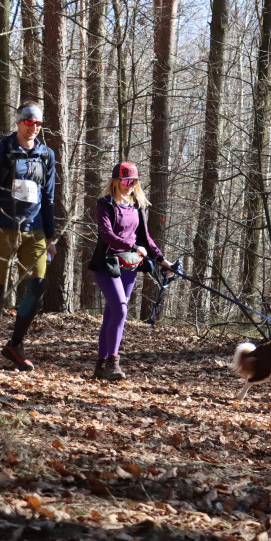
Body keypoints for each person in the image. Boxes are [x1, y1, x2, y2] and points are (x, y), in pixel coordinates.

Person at [0, 102, 57, 371]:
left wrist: (51, 237)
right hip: (2, 228)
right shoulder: (1, 150)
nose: (33, 128)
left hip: (35, 231)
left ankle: (15, 344)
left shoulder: (47, 155)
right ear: (19, 122)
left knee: (38, 287)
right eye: (28, 122)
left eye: (38, 124)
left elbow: (48, 198)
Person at [87, 161, 172, 380]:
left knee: (112, 313)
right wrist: (132, 246)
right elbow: (106, 234)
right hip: (108, 264)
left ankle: (100, 365)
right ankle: (113, 362)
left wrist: (162, 260)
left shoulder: (137, 205)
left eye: (133, 181)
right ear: (115, 181)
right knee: (121, 310)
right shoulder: (105, 204)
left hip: (130, 265)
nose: (129, 185)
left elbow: (145, 238)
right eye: (125, 180)